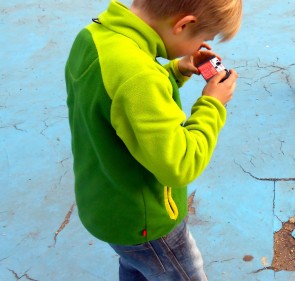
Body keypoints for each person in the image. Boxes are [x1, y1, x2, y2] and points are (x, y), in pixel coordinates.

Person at [64, 0, 242, 280]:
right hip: (147, 222)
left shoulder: (94, 36)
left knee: (136, 265)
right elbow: (181, 165)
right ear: (183, 25)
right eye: (202, 39)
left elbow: (121, 98)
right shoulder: (139, 78)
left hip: (107, 203)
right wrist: (212, 104)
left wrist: (176, 70)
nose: (200, 48)